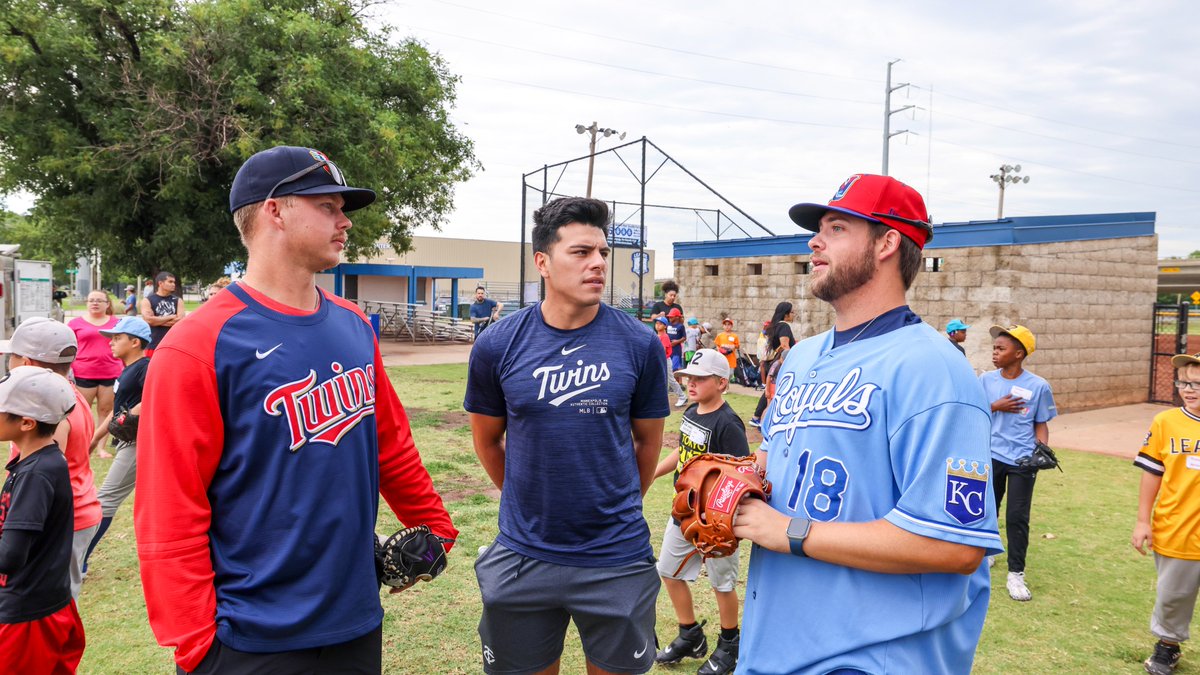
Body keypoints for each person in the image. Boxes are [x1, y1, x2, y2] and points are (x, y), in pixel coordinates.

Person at [134, 145, 458, 674]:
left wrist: (435, 530)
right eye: (328, 205)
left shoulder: (354, 324)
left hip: (355, 617)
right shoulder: (198, 343)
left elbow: (390, 446)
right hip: (251, 637)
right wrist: (197, 645)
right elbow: (170, 506)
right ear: (275, 211)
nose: (344, 220)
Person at [731, 173, 1001, 673]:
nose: (814, 241)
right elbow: (773, 461)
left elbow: (955, 543)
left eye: (835, 228)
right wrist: (737, 488)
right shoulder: (802, 357)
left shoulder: (934, 369)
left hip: (873, 654)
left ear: (888, 243)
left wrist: (786, 531)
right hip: (778, 639)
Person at [465, 196, 669, 675]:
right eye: (581, 252)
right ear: (543, 262)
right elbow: (487, 441)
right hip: (523, 554)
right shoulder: (497, 344)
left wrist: (615, 503)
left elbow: (648, 442)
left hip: (616, 557)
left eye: (602, 253)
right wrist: (525, 498)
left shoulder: (639, 344)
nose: (598, 263)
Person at [652, 348, 750, 675]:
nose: (691, 384)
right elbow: (682, 452)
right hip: (684, 512)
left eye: (700, 378)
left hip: (715, 521)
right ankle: (690, 635)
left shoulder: (728, 423)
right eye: (688, 378)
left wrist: (725, 521)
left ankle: (729, 645)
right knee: (668, 570)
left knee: (722, 583)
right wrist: (652, 472)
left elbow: (740, 475)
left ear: (722, 383)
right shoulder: (693, 411)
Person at [3, 317, 99, 601]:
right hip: (76, 510)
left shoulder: (48, 415)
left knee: (52, 604)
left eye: (11, 357)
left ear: (27, 364)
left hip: (55, 519)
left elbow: (46, 472)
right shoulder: (69, 394)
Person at [0, 366, 86, 673]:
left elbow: (9, 555)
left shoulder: (36, 474)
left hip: (27, 615)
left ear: (26, 422)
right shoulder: (46, 458)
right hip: (47, 602)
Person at [1134, 351, 1200, 675]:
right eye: (1184, 382)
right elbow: (1152, 472)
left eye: (1198, 384)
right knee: (1173, 596)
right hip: (1178, 527)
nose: (1189, 389)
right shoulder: (1166, 422)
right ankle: (1168, 646)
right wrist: (1142, 520)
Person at [980, 324, 1056, 602]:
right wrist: (995, 406)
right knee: (988, 509)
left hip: (1022, 460)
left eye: (1001, 348)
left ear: (1019, 353)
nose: (995, 352)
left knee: (1017, 517)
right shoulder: (986, 380)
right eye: (995, 347)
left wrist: (1041, 449)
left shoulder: (1038, 386)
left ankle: (1016, 574)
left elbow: (1040, 424)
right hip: (990, 455)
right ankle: (987, 554)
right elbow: (974, 411)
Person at [81, 316, 151, 572]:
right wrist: (95, 439)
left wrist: (128, 415)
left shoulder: (146, 367)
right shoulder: (127, 370)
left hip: (137, 443)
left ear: (135, 342)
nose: (111, 342)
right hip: (125, 441)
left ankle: (78, 562)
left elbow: (155, 396)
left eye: (117, 338)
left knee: (105, 500)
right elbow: (115, 411)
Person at [69, 290, 123, 458]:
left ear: (107, 304)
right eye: (91, 300)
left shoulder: (117, 323)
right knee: (81, 412)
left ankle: (100, 448)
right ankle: (80, 446)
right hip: (83, 372)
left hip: (111, 371)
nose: (95, 303)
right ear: (87, 303)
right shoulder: (75, 323)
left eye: (99, 300)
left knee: (106, 411)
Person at [748, 302, 795, 428]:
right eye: (792, 312)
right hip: (782, 362)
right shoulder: (784, 326)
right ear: (786, 314)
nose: (793, 314)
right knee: (773, 391)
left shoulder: (774, 326)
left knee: (771, 390)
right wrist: (792, 361)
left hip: (774, 361)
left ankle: (759, 417)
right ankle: (761, 418)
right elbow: (785, 346)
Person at [140, 271, 184, 356]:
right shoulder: (148, 300)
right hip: (153, 345)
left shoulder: (178, 300)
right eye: (170, 282)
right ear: (160, 283)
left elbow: (180, 321)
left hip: (173, 344)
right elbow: (149, 320)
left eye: (174, 282)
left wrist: (156, 320)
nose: (173, 284)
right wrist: (171, 316)